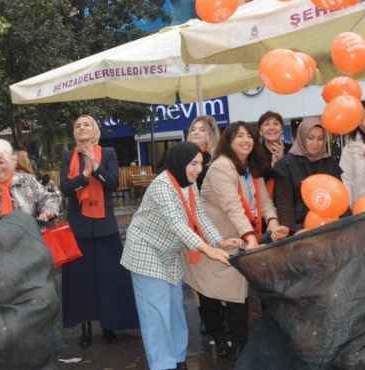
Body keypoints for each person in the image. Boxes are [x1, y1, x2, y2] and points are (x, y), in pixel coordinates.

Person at [121, 142, 244, 370]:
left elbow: (198, 215)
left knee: (175, 308)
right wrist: (208, 250)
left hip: (169, 251)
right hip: (145, 252)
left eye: (200, 164)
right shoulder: (162, 186)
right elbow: (178, 224)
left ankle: (178, 359)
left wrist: (218, 240)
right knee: (156, 313)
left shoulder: (188, 183)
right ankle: (162, 365)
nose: (198, 169)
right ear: (179, 162)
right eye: (193, 163)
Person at [184, 121, 289, 357]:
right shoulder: (222, 167)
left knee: (237, 298)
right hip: (214, 241)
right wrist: (251, 237)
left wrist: (272, 223)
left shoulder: (250, 167)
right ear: (228, 141)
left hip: (238, 240)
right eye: (239, 136)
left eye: (250, 136)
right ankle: (221, 341)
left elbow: (265, 201)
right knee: (211, 295)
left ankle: (240, 346)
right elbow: (233, 207)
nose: (246, 140)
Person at [59, 115, 139, 348]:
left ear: (95, 131)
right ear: (74, 133)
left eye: (87, 124)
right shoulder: (68, 156)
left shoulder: (109, 153)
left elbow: (112, 183)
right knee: (81, 279)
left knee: (109, 277)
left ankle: (109, 324)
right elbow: (65, 188)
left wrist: (95, 166)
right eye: (78, 125)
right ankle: (84, 325)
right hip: (79, 224)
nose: (82, 127)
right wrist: (83, 176)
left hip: (105, 225)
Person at [273, 117, 343, 230]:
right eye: (310, 138)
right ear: (301, 137)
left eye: (320, 139)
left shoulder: (330, 163)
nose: (315, 143)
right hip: (300, 229)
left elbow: (340, 196)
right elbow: (284, 205)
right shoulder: (286, 165)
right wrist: (293, 232)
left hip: (331, 226)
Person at [0, 139, 61, 220]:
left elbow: (49, 198)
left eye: (1, 162)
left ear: (11, 161)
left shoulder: (27, 181)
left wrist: (47, 212)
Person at [257, 111, 292, 201]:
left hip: (290, 202)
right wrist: (273, 168)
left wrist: (283, 161)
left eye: (276, 124)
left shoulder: (293, 150)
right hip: (266, 205)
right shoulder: (254, 154)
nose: (271, 127)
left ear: (282, 129)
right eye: (267, 124)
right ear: (260, 131)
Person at [186, 115, 220, 189]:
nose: (196, 132)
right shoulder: (184, 156)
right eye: (193, 129)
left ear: (211, 134)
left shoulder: (217, 158)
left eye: (202, 130)